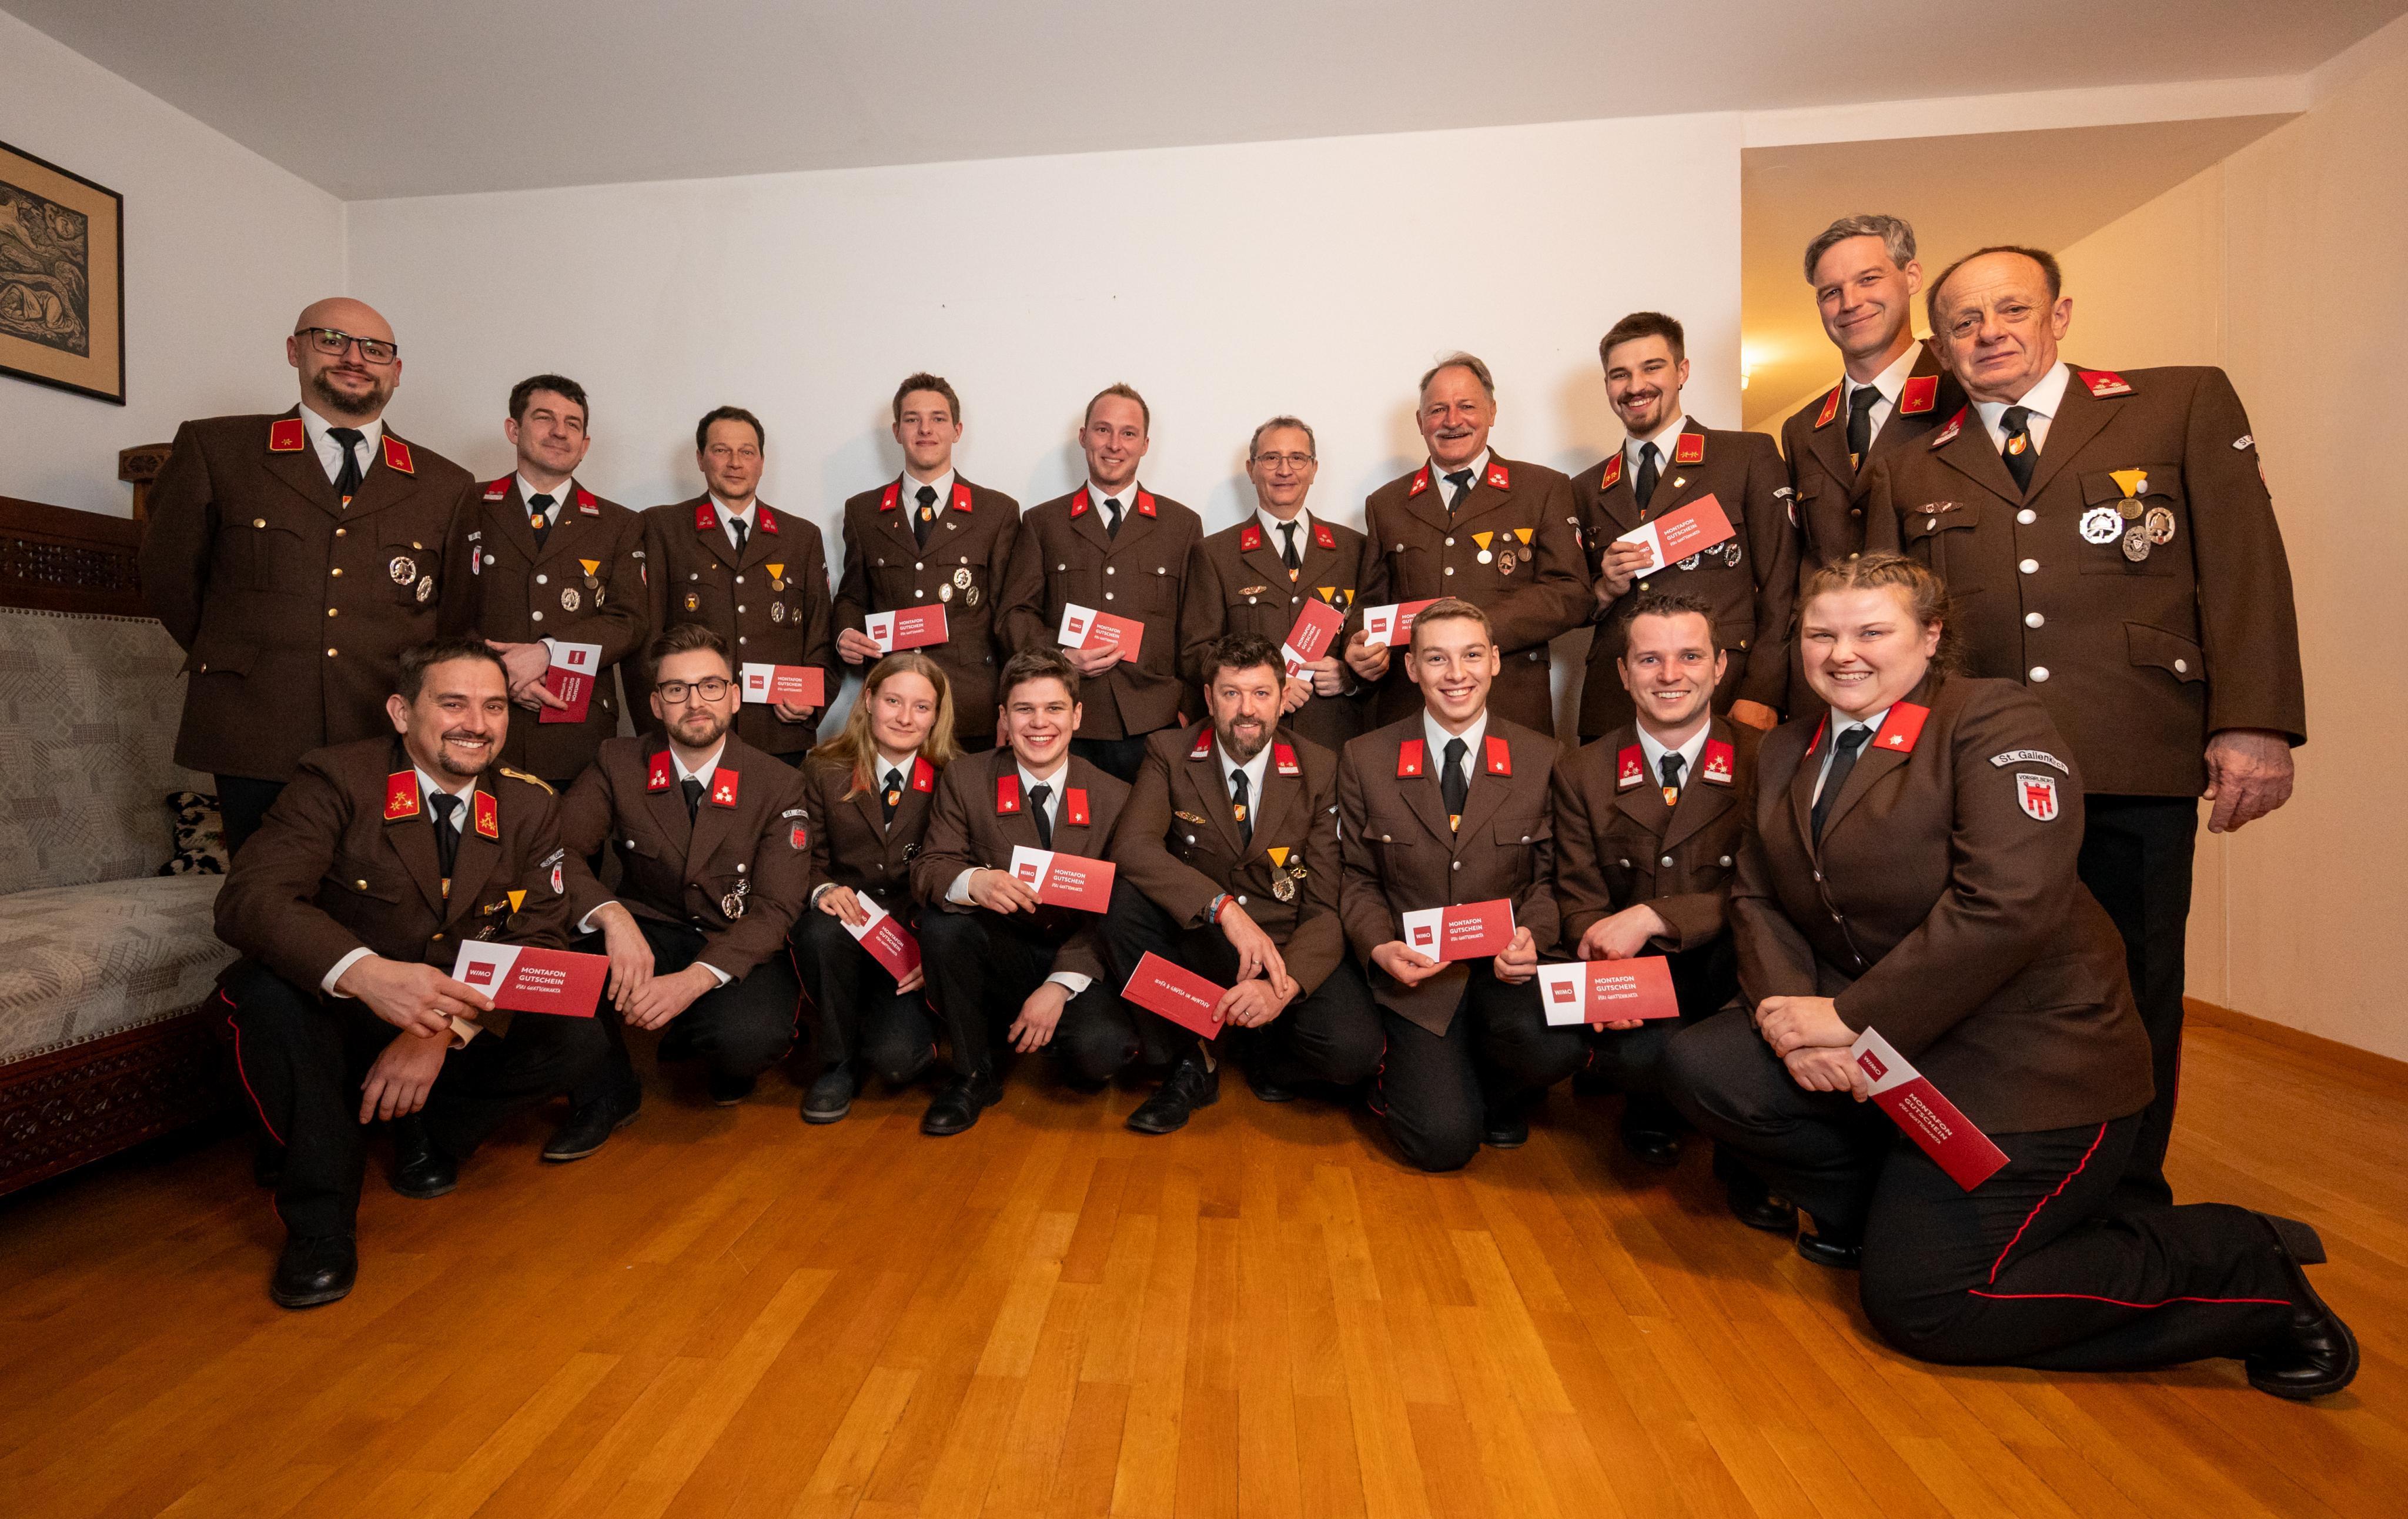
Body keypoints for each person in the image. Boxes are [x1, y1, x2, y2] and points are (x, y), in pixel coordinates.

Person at [1663, 555, 2353, 1399]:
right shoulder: (1785, 749)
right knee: (1710, 1064)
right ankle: (1885, 1219)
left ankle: (2244, 1268)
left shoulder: (1992, 720)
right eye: (1821, 634)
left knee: (1929, 1308)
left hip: (2026, 1061)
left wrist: (1849, 1019)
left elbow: (2008, 903)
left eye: (1872, 631)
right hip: (1892, 1049)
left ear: (1931, 636)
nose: (1843, 654)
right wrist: (1787, 1018)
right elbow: (1757, 894)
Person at [1862, 245, 2307, 1205]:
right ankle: (2002, 1182)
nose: (1989, 333)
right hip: (1981, 774)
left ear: (2059, 315)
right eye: (1965, 322)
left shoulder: (2176, 405)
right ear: (1941, 343)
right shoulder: (1907, 466)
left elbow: (2245, 568)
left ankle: (2127, 1195)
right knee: (1982, 978)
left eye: (2011, 309)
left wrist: (2255, 721)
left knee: (2136, 981)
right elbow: (1895, 633)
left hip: (2132, 749)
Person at [214, 635, 603, 1308]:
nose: (476, 725)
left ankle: (426, 1131)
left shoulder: (530, 804)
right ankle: (322, 1222)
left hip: (447, 1014)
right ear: (401, 712)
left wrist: (439, 1032)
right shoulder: (338, 779)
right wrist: (367, 975)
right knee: (263, 999)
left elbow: (539, 934)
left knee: (579, 1035)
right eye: (453, 704)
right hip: (345, 1010)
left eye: (494, 707)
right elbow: (251, 898)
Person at [139, 297, 476, 854]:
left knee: (379, 887)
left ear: (396, 371)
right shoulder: (218, 449)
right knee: (263, 887)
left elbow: (454, 613)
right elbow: (169, 577)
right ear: (295, 350)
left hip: (381, 724)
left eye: (375, 350)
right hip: (255, 719)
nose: (354, 358)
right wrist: (242, 652)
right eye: (332, 340)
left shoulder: (446, 483)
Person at [1548, 592, 1794, 1231]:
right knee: (1638, 1057)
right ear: (1623, 672)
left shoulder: (1769, 758)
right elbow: (1579, 895)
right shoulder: (1583, 769)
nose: (1669, 675)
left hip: (1736, 963)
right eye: (1649, 659)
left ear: (1720, 666)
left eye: (1689, 656)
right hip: (1639, 975)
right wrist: (1602, 967)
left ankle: (1748, 1151)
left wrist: (1656, 916)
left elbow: (1770, 889)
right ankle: (1651, 1105)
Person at [1337, 598, 1588, 1171]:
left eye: (1471, 655)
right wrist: (1378, 946)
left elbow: (1552, 878)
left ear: (1495, 660)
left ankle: (1491, 1087)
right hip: (1421, 979)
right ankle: (1416, 1082)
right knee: (1442, 1143)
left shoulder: (1542, 757)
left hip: (1506, 973)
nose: (1456, 674)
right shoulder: (1365, 758)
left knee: (1561, 1045)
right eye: (1436, 658)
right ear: (1411, 667)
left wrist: (1533, 935)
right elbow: (1356, 876)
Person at [1099, 633, 1382, 1133]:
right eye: (1232, 693)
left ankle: (1264, 1051)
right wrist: (1224, 908)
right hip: (1207, 939)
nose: (1247, 709)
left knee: (1353, 1052)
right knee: (1123, 900)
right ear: (1210, 698)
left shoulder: (1320, 767)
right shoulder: (1170, 751)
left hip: (1284, 946)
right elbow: (1132, 847)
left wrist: (1282, 988)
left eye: (1261, 693)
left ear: (1283, 696)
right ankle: (1192, 1058)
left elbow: (1325, 905)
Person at [551, 623, 812, 1142]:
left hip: (729, 937)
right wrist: (613, 917)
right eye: (677, 689)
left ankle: (705, 1038)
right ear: (656, 703)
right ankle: (609, 1091)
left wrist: (692, 982)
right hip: (646, 930)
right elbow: (558, 852)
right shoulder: (618, 761)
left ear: (734, 696)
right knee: (561, 965)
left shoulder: (778, 782)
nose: (695, 702)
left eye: (710, 686)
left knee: (747, 1038)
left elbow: (776, 908)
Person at [909, 649, 1135, 1134]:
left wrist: (1058, 986)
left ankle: (1039, 1032)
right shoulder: (966, 778)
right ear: (1004, 718)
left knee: (1099, 1055)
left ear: (1077, 714)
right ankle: (972, 1074)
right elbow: (930, 867)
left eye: (1054, 708)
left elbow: (1118, 910)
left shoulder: (1115, 796)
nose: (1039, 723)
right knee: (943, 924)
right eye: (1024, 709)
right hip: (1000, 952)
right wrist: (975, 881)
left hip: (1077, 954)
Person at [1573, 312, 1795, 743]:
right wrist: (1604, 589)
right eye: (1620, 375)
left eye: (1651, 368)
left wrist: (1764, 691)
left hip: (1725, 696)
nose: (1635, 386)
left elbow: (1783, 585)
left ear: (1682, 372)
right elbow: (1572, 603)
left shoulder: (1745, 457)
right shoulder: (1585, 488)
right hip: (1615, 705)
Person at [1343, 353, 1588, 736]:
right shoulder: (1386, 503)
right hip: (1411, 712)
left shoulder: (1542, 489)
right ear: (1421, 421)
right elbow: (1370, 605)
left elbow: (1571, 592)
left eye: (1467, 407)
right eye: (1438, 409)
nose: (1453, 421)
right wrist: (1357, 645)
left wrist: (1473, 631)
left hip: (1512, 709)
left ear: (1492, 412)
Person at [440, 374, 648, 788]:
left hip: (575, 731)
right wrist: (497, 671)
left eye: (573, 424)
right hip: (474, 722)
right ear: (513, 429)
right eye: (544, 418)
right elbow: (442, 609)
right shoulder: (467, 505)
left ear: (585, 445)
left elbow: (629, 620)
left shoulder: (619, 524)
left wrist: (547, 653)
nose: (560, 431)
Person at [996, 383, 1201, 782]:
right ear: (1083, 436)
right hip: (1067, 719)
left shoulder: (1181, 525)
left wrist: (1189, 712)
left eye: (1129, 433)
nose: (1114, 445)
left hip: (1156, 722)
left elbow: (1196, 629)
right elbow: (1013, 616)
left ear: (1145, 444)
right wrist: (1061, 656)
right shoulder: (1043, 522)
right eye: (1103, 430)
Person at [795, 652, 961, 1123]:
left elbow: (964, 870)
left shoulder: (956, 776)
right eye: (893, 701)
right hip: (845, 932)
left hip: (912, 942)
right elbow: (802, 859)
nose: (906, 717)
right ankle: (837, 1063)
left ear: (937, 715)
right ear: (868, 699)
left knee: (897, 1060)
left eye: (922, 707)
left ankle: (882, 1023)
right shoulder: (823, 769)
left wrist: (938, 954)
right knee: (818, 929)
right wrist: (822, 889)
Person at [636, 406, 839, 764]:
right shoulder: (663, 528)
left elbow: (821, 634)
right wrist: (657, 724)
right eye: (721, 450)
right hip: (690, 732)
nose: (735, 463)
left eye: (747, 452)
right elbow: (648, 637)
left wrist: (813, 700)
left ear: (762, 462)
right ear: (700, 458)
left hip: (778, 733)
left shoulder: (801, 537)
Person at [832, 373, 1022, 749]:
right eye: (912, 419)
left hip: (971, 705)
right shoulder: (863, 512)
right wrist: (845, 633)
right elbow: (852, 596)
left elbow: (1009, 615)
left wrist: (1012, 706)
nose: (925, 429)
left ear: (957, 430)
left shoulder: (996, 511)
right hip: (892, 705)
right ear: (897, 431)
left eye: (938, 418)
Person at [1779, 215, 1963, 584]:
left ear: (1912, 277)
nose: (1850, 302)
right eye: (1831, 292)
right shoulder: (1802, 428)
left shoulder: (1962, 392)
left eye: (1868, 279)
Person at [1178, 416, 1370, 753]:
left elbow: (1372, 642)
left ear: (1314, 469)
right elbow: (1196, 653)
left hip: (1333, 737)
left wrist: (1350, 676)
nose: (1285, 470)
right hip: (1249, 738)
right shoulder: (1216, 553)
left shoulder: (1354, 548)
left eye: (1297, 458)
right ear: (1251, 469)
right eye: (1271, 458)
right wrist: (1265, 686)